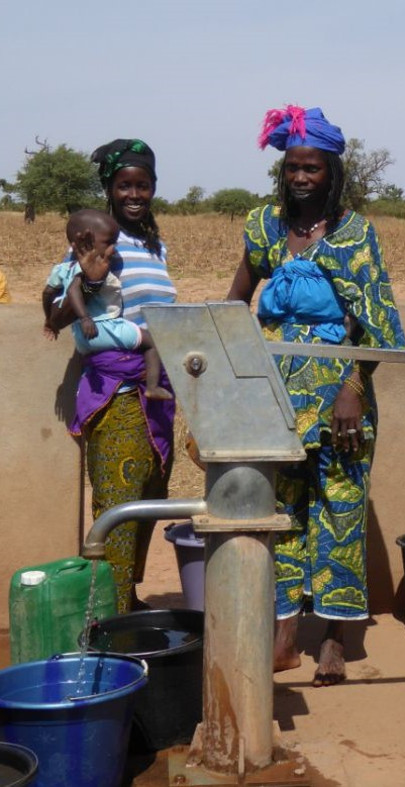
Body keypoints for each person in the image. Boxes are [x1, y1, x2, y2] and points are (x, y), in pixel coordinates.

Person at [227, 105, 405, 687]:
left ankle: (333, 636)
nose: (301, 178)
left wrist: (352, 386)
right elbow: (236, 304)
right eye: (293, 168)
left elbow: (377, 323)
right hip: (276, 398)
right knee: (281, 513)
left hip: (339, 403)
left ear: (333, 173)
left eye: (313, 169)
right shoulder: (263, 227)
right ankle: (283, 632)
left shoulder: (355, 234)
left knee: (341, 510)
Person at [48, 139, 176, 613]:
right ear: (110, 189)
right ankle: (109, 616)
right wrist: (92, 279)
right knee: (119, 502)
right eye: (124, 185)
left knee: (148, 492)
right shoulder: (92, 240)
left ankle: (128, 601)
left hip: (156, 387)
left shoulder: (152, 244)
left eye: (143, 184)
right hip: (116, 391)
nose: (134, 194)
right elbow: (57, 312)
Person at [44, 209, 172, 399]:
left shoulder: (62, 269)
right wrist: (86, 316)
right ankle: (152, 387)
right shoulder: (91, 267)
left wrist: (48, 320)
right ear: (83, 243)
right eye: (109, 242)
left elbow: (47, 293)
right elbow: (73, 291)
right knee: (151, 342)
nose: (114, 248)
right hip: (104, 327)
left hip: (83, 337)